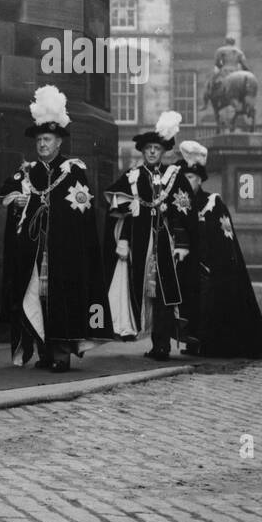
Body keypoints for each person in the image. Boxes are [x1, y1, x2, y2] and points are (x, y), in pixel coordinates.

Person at [0, 86, 110, 372]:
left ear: (59, 142)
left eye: (47, 140)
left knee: (61, 299)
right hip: (34, 251)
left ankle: (60, 354)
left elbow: (80, 212)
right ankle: (44, 352)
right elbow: (5, 193)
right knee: (37, 298)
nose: (42, 145)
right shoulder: (27, 172)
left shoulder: (73, 172)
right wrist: (18, 202)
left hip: (64, 250)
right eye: (39, 140)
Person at [102, 111, 198, 360]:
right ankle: (140, 334)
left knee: (164, 294)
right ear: (142, 151)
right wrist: (125, 223)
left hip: (166, 242)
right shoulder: (132, 177)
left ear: (164, 151)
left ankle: (162, 345)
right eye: (149, 148)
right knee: (142, 292)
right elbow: (113, 203)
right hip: (139, 243)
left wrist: (183, 242)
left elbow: (184, 211)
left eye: (157, 148)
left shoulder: (174, 177)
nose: (153, 152)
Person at [175, 141, 262, 358]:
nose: (187, 182)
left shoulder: (212, 202)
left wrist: (213, 262)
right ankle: (193, 341)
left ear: (200, 179)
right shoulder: (180, 203)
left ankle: (211, 343)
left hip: (212, 265)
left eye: (191, 177)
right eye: (183, 178)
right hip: (188, 265)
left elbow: (224, 237)